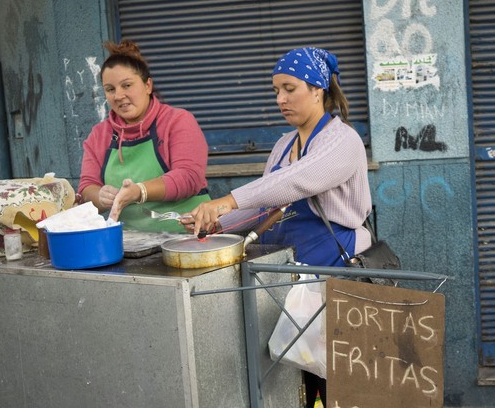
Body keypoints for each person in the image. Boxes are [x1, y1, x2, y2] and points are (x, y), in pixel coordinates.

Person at [183, 47, 372, 407]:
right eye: (276, 91)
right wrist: (210, 221)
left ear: (317, 89)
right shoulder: (285, 144)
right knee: (296, 375)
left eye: (289, 88)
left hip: (331, 269)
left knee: (333, 376)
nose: (280, 99)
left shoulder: (341, 139)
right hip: (289, 271)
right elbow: (266, 203)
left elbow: (297, 182)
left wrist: (225, 201)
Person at [78, 39, 210, 232]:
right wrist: (100, 196)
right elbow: (87, 187)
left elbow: (189, 177)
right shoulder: (99, 135)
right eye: (110, 89)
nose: (119, 95)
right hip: (130, 242)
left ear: (148, 86)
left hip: (187, 236)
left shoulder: (178, 121)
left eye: (127, 85)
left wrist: (140, 191)